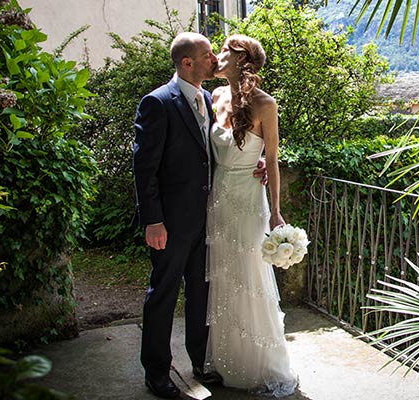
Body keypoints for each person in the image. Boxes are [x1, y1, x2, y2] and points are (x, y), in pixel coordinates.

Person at [133, 32, 265, 399]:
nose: (215, 60)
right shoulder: (158, 102)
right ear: (187, 63)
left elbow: (224, 151)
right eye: (208, 55)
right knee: (163, 293)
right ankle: (157, 372)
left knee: (201, 295)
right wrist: (152, 220)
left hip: (210, 219)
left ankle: (199, 364)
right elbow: (145, 168)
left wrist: (261, 162)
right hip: (171, 223)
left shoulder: (210, 98)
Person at [204, 34, 298, 397]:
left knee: (249, 277)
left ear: (241, 60)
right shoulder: (215, 97)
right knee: (224, 278)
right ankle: (229, 362)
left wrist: (275, 212)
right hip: (219, 198)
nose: (216, 55)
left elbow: (271, 159)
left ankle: (260, 364)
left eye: (223, 51)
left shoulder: (265, 104)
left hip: (248, 201)